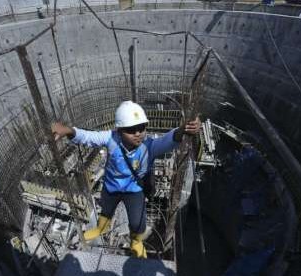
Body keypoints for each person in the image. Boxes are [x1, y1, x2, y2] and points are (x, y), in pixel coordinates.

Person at [51, 101, 201, 258]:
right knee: (106, 211)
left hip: (134, 190)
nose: (138, 133)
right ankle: (100, 229)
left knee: (137, 222)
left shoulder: (149, 146)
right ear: (119, 131)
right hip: (111, 187)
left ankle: (136, 241)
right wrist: (68, 130)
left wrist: (183, 130)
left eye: (141, 128)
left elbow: (168, 140)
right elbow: (88, 137)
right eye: (131, 130)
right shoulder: (111, 139)